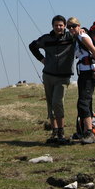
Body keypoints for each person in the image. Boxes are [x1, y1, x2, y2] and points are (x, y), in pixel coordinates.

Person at [29, 15, 75, 144]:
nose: (59, 27)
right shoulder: (46, 38)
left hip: (63, 76)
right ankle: (54, 132)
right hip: (48, 75)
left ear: (65, 26)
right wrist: (42, 60)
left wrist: (82, 30)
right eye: (56, 25)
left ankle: (61, 132)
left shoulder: (71, 38)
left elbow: (83, 36)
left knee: (57, 102)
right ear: (52, 26)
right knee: (50, 103)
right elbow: (32, 46)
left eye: (61, 25)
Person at [67, 17, 95, 144]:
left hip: (89, 72)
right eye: (69, 27)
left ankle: (89, 133)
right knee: (85, 102)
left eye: (74, 26)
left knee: (83, 102)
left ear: (78, 25)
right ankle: (83, 131)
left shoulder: (82, 37)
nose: (71, 28)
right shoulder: (77, 37)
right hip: (84, 72)